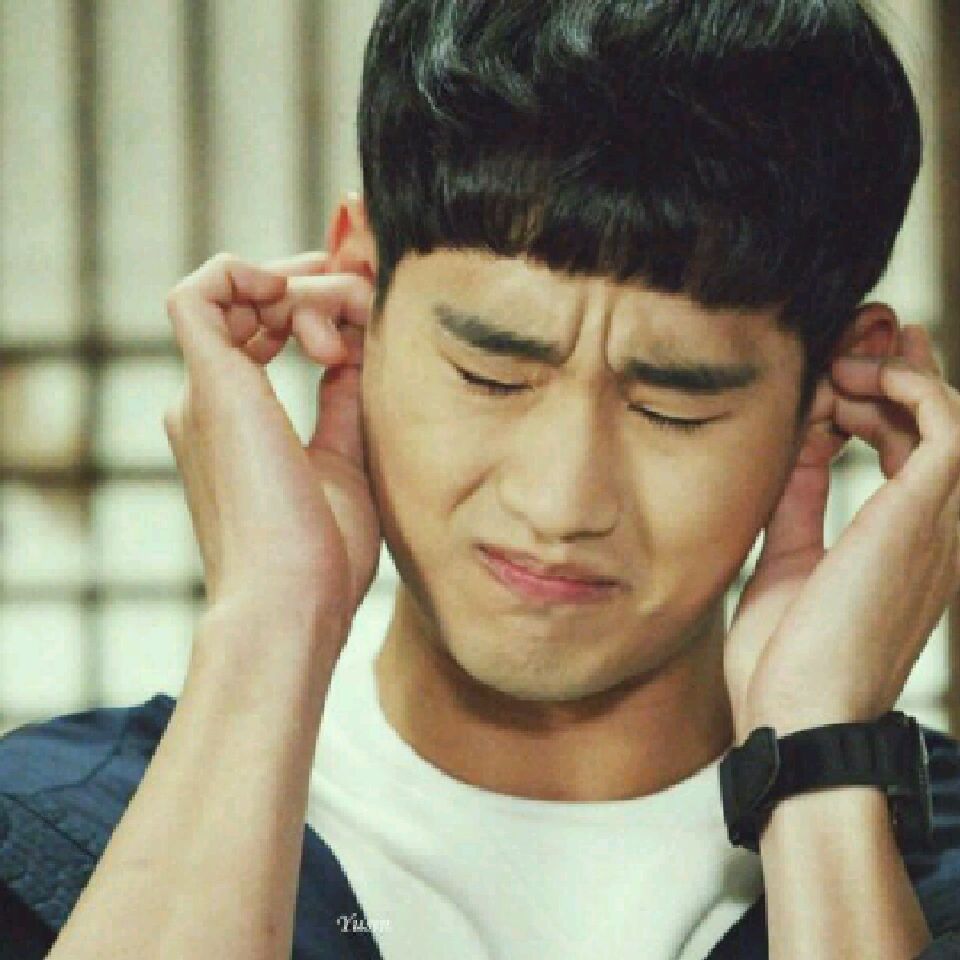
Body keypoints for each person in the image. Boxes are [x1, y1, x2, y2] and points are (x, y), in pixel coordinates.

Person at [2, 0, 960, 957]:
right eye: (489, 374)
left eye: (674, 409)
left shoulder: (924, 875)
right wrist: (267, 626)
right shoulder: (56, 834)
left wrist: (821, 758)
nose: (560, 502)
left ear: (834, 389)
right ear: (361, 289)